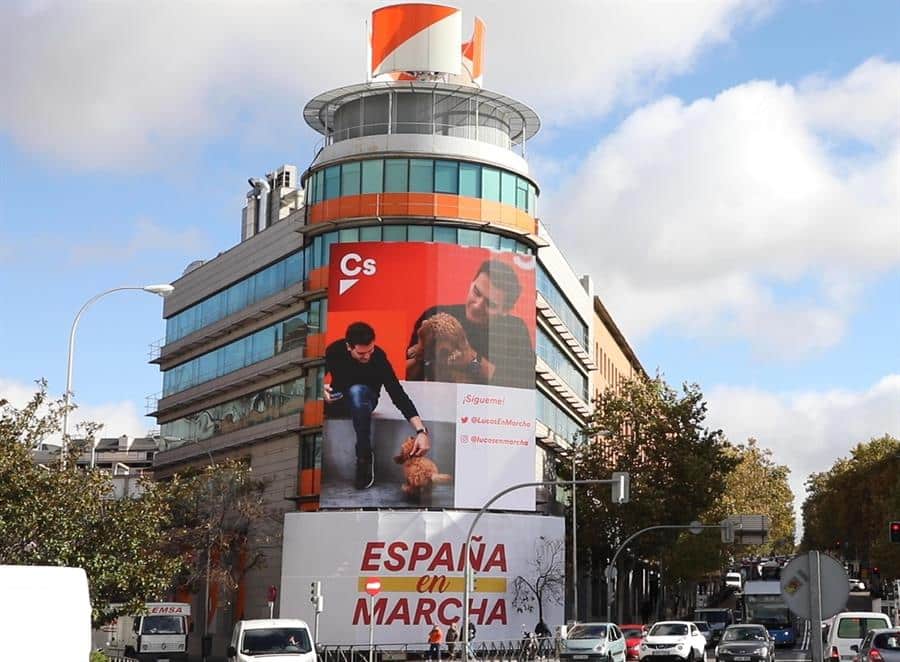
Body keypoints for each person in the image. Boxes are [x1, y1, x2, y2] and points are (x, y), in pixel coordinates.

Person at [325, 321, 431, 489]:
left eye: (370, 351)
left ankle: (364, 457)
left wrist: (421, 431)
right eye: (361, 354)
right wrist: (322, 391)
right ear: (348, 347)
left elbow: (398, 394)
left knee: (357, 391)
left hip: (364, 401)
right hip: (338, 400)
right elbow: (313, 379)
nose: (367, 357)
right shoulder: (333, 351)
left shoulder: (379, 358)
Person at [406, 259, 535, 388]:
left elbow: (520, 385)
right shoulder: (436, 315)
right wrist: (421, 355)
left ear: (505, 310)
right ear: (471, 283)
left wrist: (471, 359)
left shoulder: (515, 330)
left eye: (490, 304)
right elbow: (404, 377)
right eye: (476, 292)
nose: (477, 306)